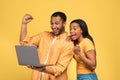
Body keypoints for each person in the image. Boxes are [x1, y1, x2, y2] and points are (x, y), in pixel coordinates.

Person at [19, 12, 74, 80]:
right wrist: (24, 24)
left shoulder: (69, 44)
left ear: (64, 24)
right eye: (51, 23)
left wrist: (42, 68)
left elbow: (59, 69)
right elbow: (25, 44)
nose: (53, 26)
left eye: (56, 23)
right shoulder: (43, 35)